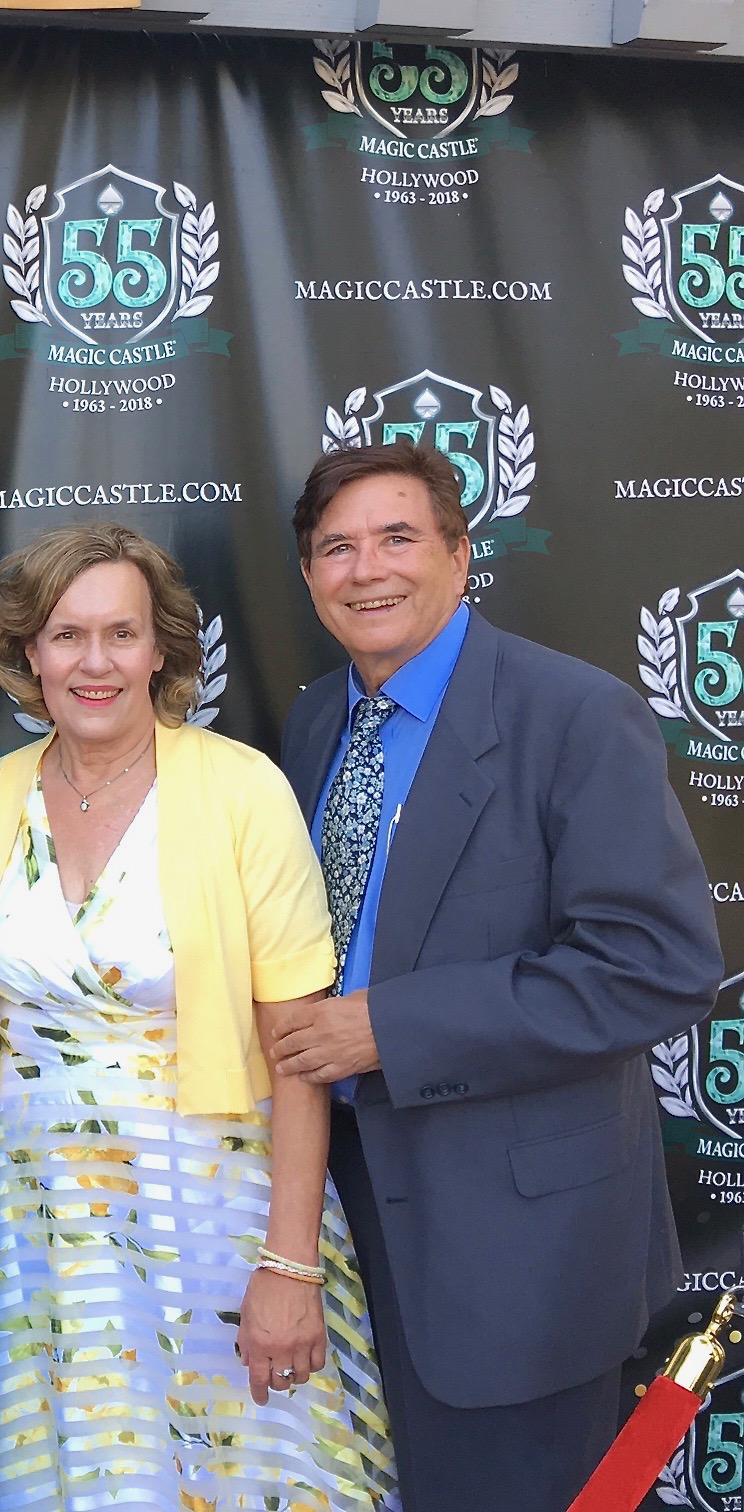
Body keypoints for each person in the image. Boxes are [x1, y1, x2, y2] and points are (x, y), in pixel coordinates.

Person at [268, 442, 722, 1511]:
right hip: (342, 1223)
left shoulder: (573, 715)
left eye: (397, 538)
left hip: (519, 1247)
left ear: (462, 555)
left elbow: (657, 964)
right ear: (308, 579)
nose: (366, 568)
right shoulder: (316, 722)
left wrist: (393, 1027)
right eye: (337, 547)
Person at [0, 524, 398, 1509]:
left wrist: (288, 1264)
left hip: (219, 1218)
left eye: (121, 634)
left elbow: (301, 1045)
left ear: (162, 648)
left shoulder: (241, 789)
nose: (95, 662)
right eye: (67, 635)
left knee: (248, 1479)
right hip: (46, 1228)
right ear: (29, 652)